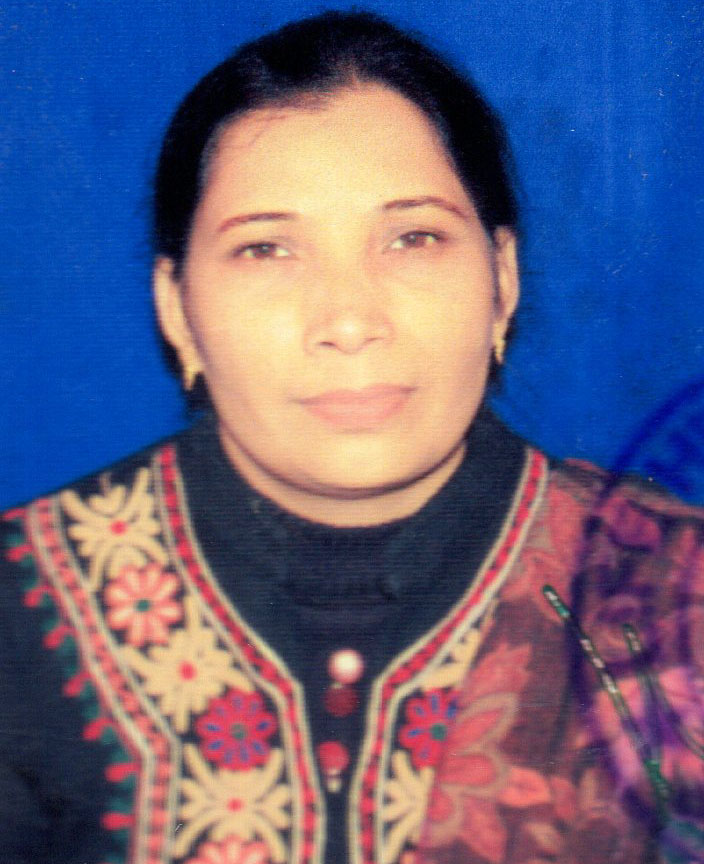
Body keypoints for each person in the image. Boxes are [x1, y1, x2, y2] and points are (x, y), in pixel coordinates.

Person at [1, 10, 702, 864]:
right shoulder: (22, 601)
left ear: (503, 280)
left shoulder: (671, 593)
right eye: (266, 250)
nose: (348, 319)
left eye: (413, 238)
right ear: (177, 310)